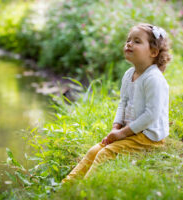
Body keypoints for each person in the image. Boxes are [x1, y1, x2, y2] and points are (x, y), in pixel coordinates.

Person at [61, 23, 172, 183]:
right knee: (94, 151)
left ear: (153, 52)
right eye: (128, 40)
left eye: (137, 41)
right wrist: (116, 127)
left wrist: (122, 134)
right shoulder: (129, 74)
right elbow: (123, 102)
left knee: (105, 153)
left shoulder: (153, 78)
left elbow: (151, 115)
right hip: (130, 131)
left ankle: (84, 190)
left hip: (148, 137)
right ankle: (66, 186)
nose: (129, 43)